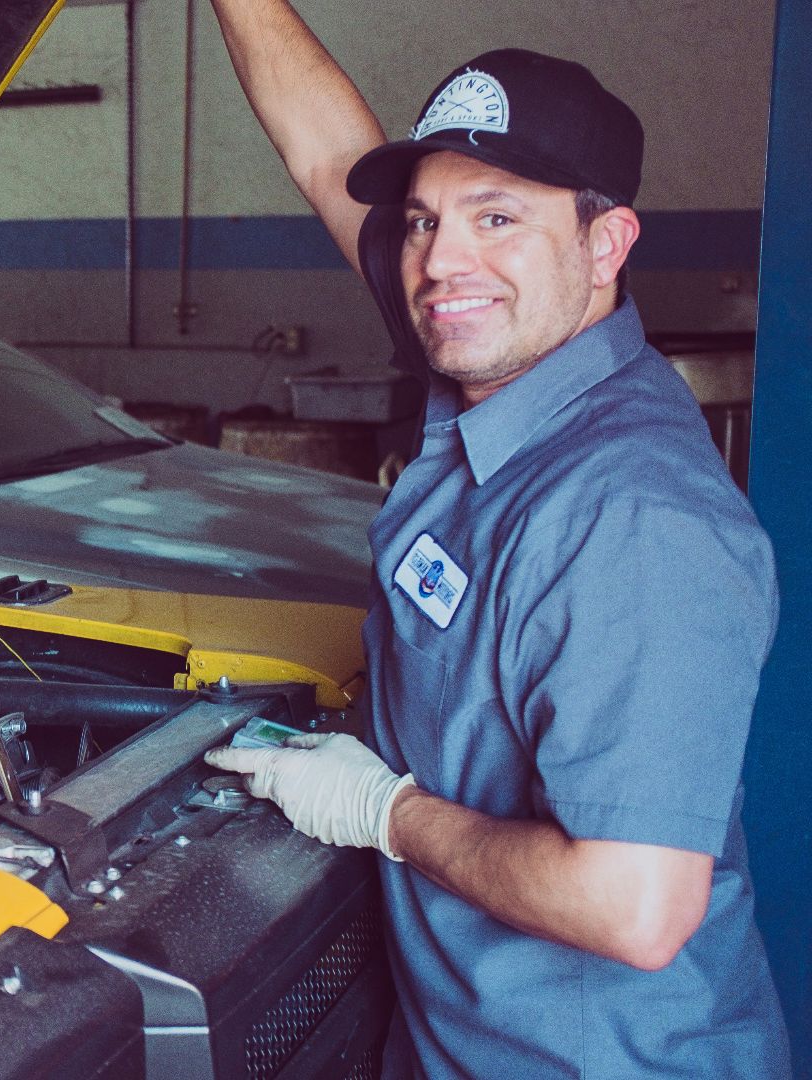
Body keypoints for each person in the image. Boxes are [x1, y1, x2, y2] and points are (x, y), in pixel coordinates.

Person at [198, 4, 792, 1077]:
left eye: (497, 217)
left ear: (604, 243)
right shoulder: (504, 369)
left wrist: (384, 811)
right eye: (425, 222)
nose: (440, 263)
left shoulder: (635, 519)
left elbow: (636, 907)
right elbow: (329, 153)